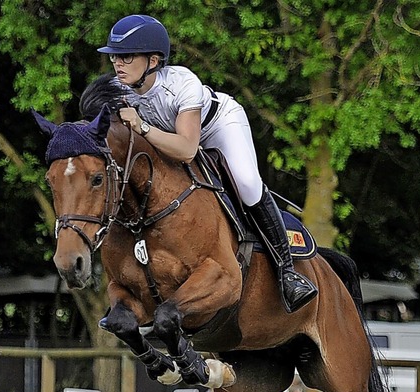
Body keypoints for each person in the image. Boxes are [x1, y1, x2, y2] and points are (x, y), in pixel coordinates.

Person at [97, 14, 317, 313]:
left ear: (153, 60)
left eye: (126, 57)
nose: (118, 64)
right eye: (115, 58)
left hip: (218, 127)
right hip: (167, 140)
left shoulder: (182, 83)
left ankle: (287, 272)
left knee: (247, 183)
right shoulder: (117, 90)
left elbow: (187, 149)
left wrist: (142, 128)